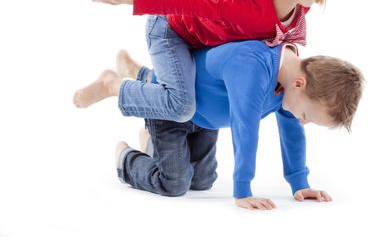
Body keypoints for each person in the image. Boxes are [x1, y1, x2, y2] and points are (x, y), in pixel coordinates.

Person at [74, 0, 340, 125]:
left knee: (192, 90)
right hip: (171, 30)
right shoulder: (241, 7)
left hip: (203, 42)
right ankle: (113, 84)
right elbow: (182, 2)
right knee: (182, 107)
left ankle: (138, 72)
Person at [77, 40, 364, 209]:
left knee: (202, 182)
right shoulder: (254, 66)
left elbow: (291, 133)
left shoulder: (289, 88)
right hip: (171, 112)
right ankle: (119, 117)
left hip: (205, 122)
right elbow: (245, 127)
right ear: (300, 84)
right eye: (307, 116)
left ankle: (140, 82)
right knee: (175, 183)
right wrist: (243, 190)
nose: (302, 121)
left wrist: (300, 183)